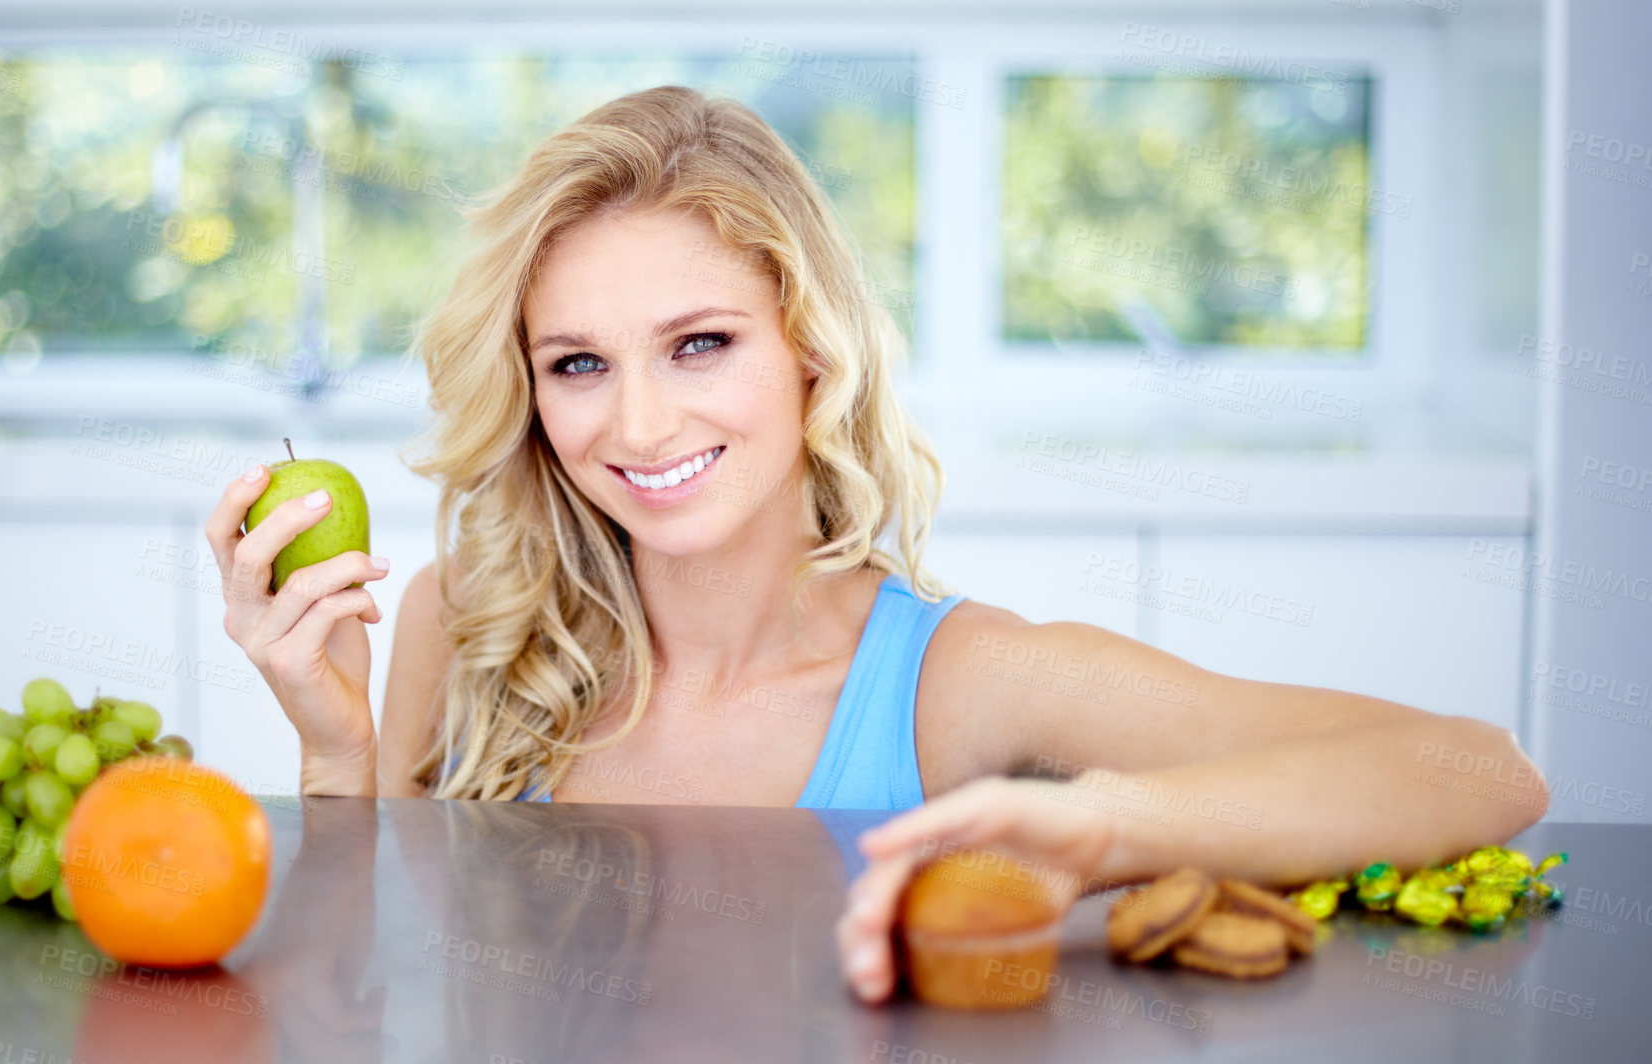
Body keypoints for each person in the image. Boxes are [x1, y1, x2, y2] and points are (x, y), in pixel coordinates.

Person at [203, 84, 1549, 1004]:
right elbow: (368, 1001)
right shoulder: (474, 624)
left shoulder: (969, 685)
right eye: (574, 363)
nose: (638, 419)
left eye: (699, 343)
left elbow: (1475, 770)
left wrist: (1104, 828)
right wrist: (336, 754)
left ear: (808, 347)